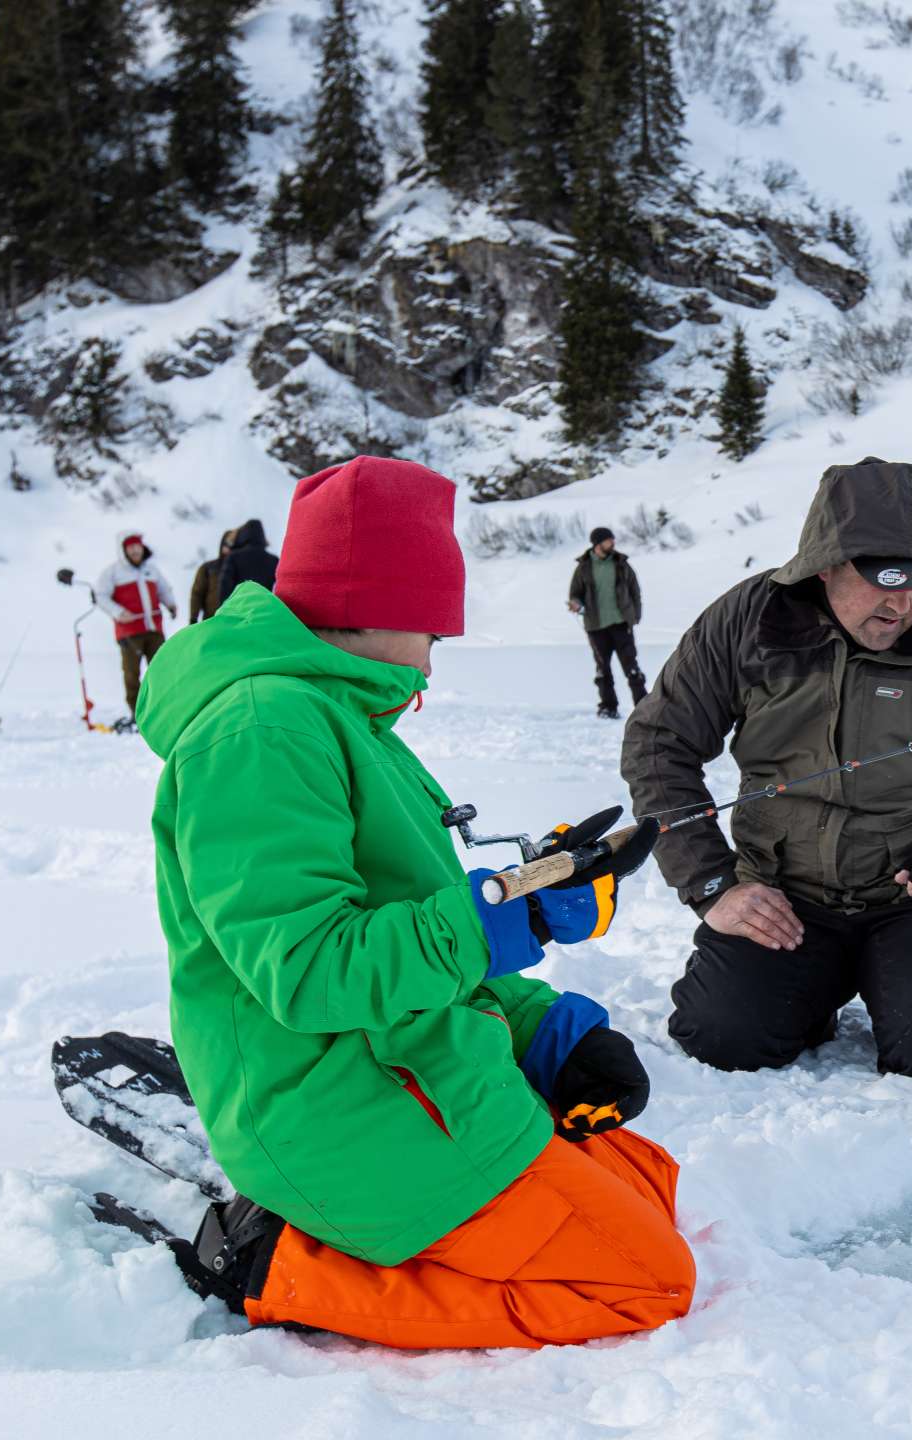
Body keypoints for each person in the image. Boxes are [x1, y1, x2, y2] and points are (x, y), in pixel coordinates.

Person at [134, 455, 689, 1350]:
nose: (438, 652)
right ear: (381, 608)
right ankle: (276, 1268)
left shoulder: (345, 721)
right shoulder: (262, 731)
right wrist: (496, 917)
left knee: (643, 1175)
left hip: (410, 1063)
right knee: (643, 1282)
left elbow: (423, 920)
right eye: (435, 628)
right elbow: (310, 969)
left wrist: (543, 1023)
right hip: (331, 1099)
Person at [623, 458, 912, 1080]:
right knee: (722, 1038)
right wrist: (711, 883)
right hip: (785, 897)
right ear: (828, 563)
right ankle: (811, 993)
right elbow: (660, 743)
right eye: (887, 578)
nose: (903, 602)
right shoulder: (748, 623)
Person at [567, 526, 647, 719]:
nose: (612, 543)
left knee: (632, 667)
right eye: (608, 540)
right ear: (597, 544)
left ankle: (644, 707)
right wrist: (576, 604)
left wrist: (635, 615)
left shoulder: (621, 564)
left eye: (612, 540)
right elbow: (575, 594)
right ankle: (608, 707)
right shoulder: (584, 567)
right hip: (596, 627)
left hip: (621, 624)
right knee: (603, 670)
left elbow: (635, 591)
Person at [98, 532, 179, 713]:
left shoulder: (152, 570)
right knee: (132, 674)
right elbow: (100, 596)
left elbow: (163, 590)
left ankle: (165, 708)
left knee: (161, 669)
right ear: (124, 550)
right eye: (130, 547)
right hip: (129, 632)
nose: (135, 550)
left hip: (154, 630)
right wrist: (118, 612)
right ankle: (136, 713)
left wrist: (171, 604)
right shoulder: (113, 572)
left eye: (138, 546)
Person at [215, 517, 279, 603]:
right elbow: (280, 589)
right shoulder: (274, 560)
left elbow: (225, 586)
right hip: (264, 610)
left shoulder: (233, 557)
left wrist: (222, 610)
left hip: (237, 610)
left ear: (243, 535)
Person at [185, 529, 233, 625]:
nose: (230, 548)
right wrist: (193, 618)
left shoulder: (243, 569)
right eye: (227, 544)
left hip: (235, 622)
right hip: (211, 621)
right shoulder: (208, 568)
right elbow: (197, 594)